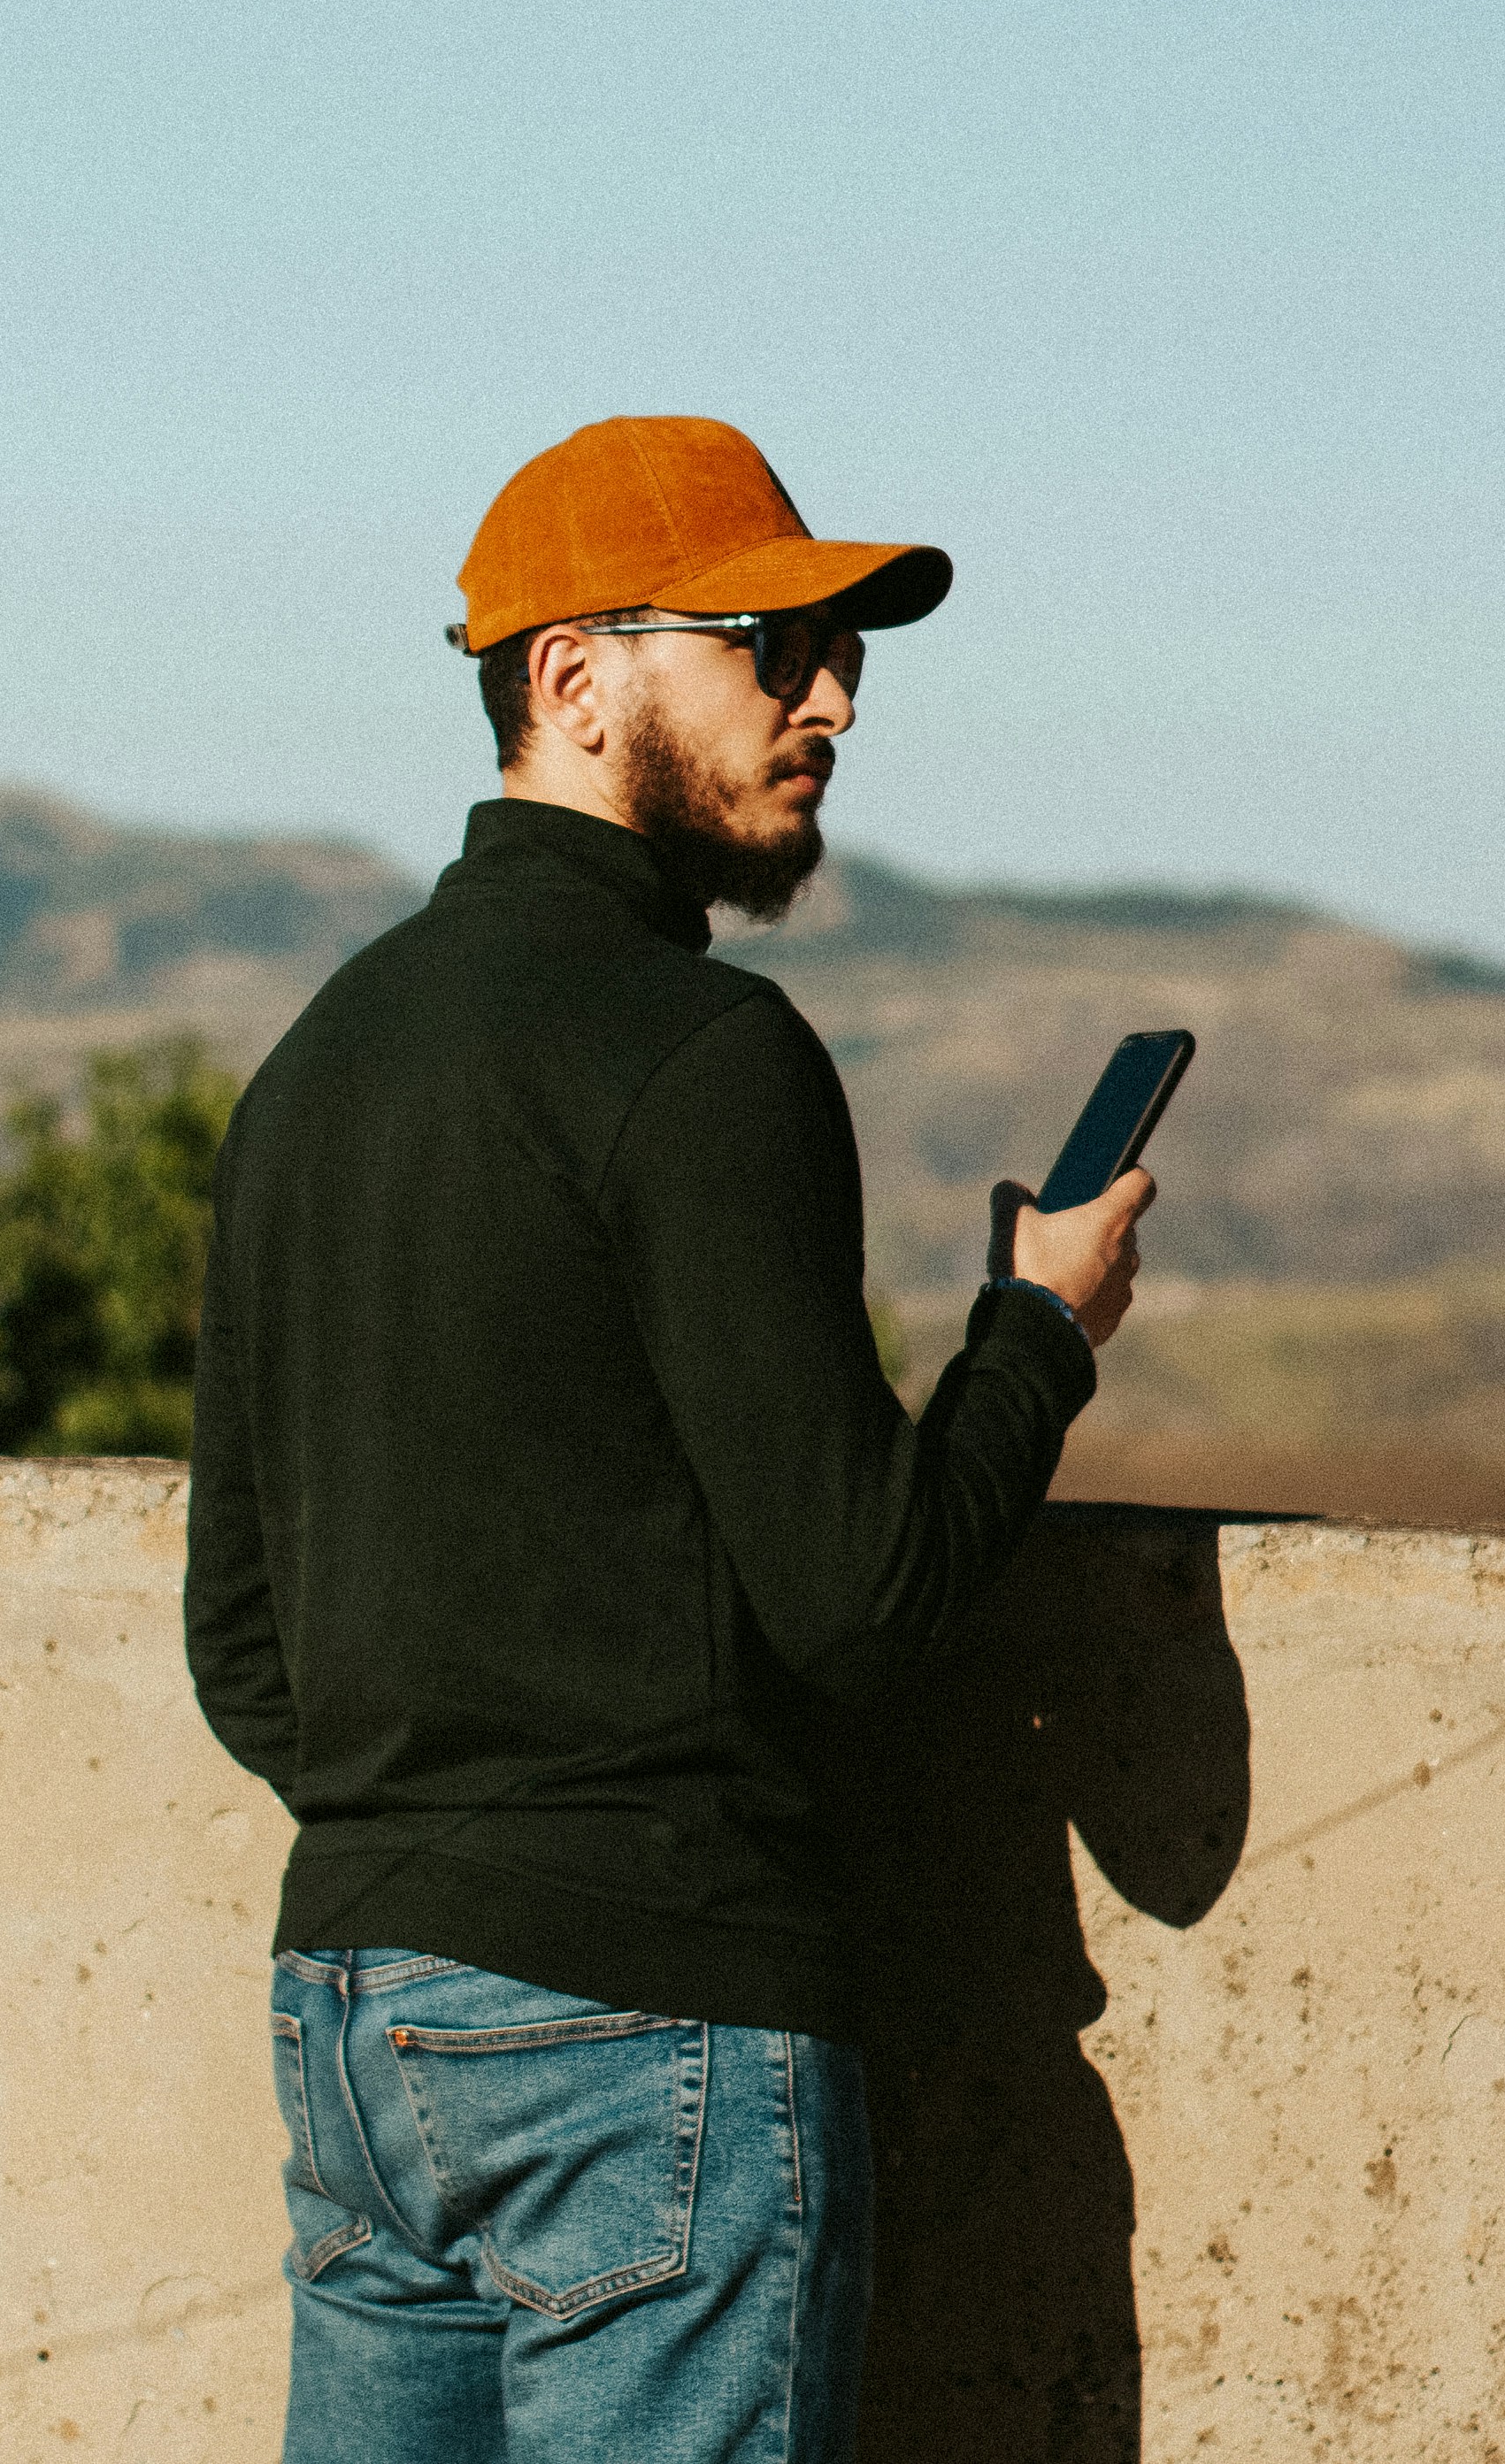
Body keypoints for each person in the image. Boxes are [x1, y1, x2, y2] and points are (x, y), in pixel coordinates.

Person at [186, 414, 1153, 2463]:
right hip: (654, 2034)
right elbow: (867, 1601)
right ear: (573, 673)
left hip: (360, 2016)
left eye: (845, 656)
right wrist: (1034, 1338)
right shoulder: (705, 1057)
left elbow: (243, 1644)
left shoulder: (312, 1068)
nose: (830, 701)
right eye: (768, 644)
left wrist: (451, 1826)